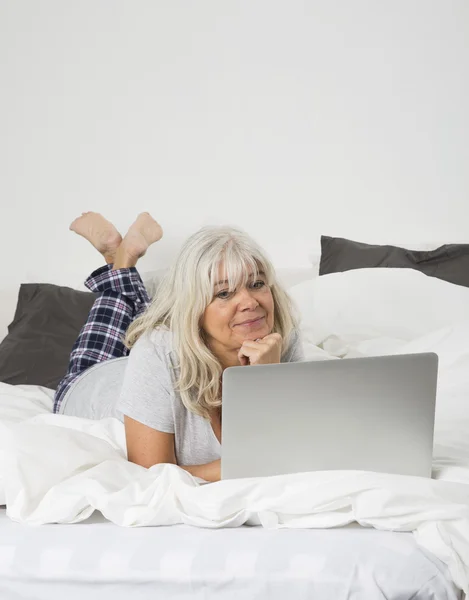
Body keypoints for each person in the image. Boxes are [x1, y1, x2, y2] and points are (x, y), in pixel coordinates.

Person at [54, 211, 304, 482]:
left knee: (150, 321)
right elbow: (151, 476)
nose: (250, 302)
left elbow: (286, 445)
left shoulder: (280, 334)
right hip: (98, 381)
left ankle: (121, 257)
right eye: (223, 293)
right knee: (115, 316)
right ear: (193, 307)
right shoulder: (157, 349)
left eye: (257, 284)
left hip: (163, 357)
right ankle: (121, 260)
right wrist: (246, 466)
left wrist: (268, 380)